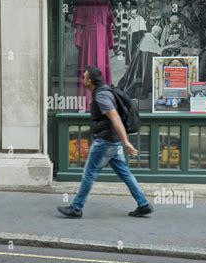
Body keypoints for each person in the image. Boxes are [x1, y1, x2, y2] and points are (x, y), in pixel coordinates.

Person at [57, 66, 154, 218]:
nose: (82, 80)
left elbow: (115, 118)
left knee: (89, 173)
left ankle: (76, 207)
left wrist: (126, 142)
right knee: (125, 173)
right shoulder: (105, 91)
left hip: (105, 141)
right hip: (113, 142)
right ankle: (143, 204)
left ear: (90, 81)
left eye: (84, 77)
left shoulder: (101, 96)